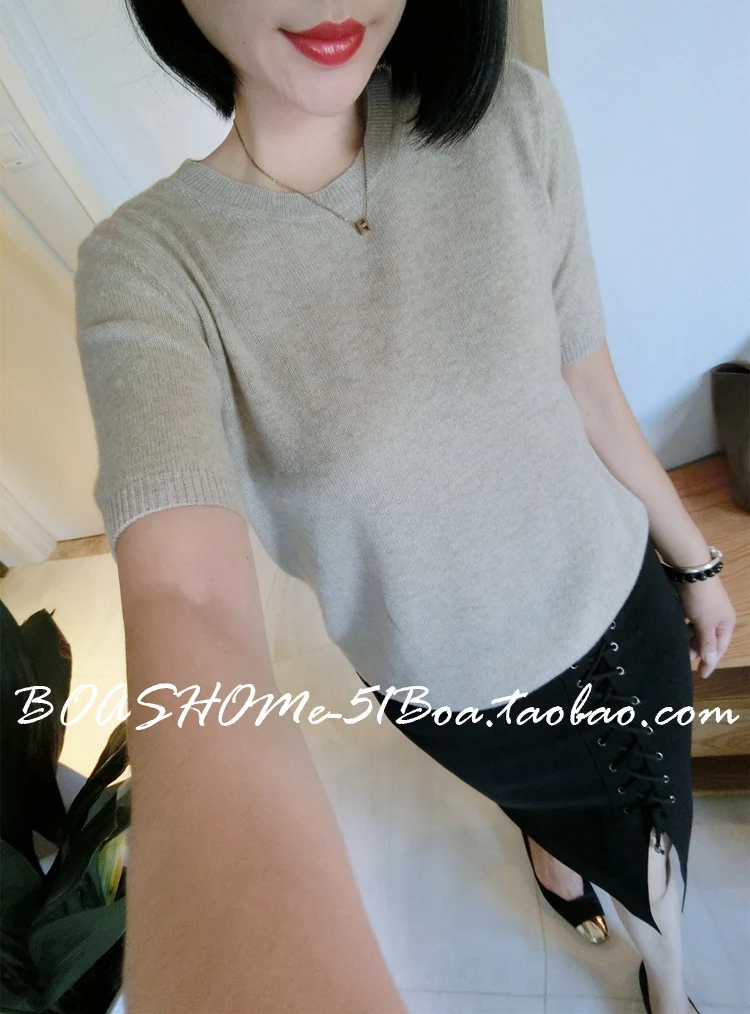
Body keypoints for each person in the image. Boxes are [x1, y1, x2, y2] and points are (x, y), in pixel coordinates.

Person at [73, 1, 736, 1012]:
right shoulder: (152, 271)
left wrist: (693, 559)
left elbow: (590, 390)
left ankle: (664, 974)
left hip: (621, 606)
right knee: (590, 826)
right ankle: (571, 867)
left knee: (661, 848)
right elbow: (185, 597)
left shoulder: (511, 116)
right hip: (461, 697)